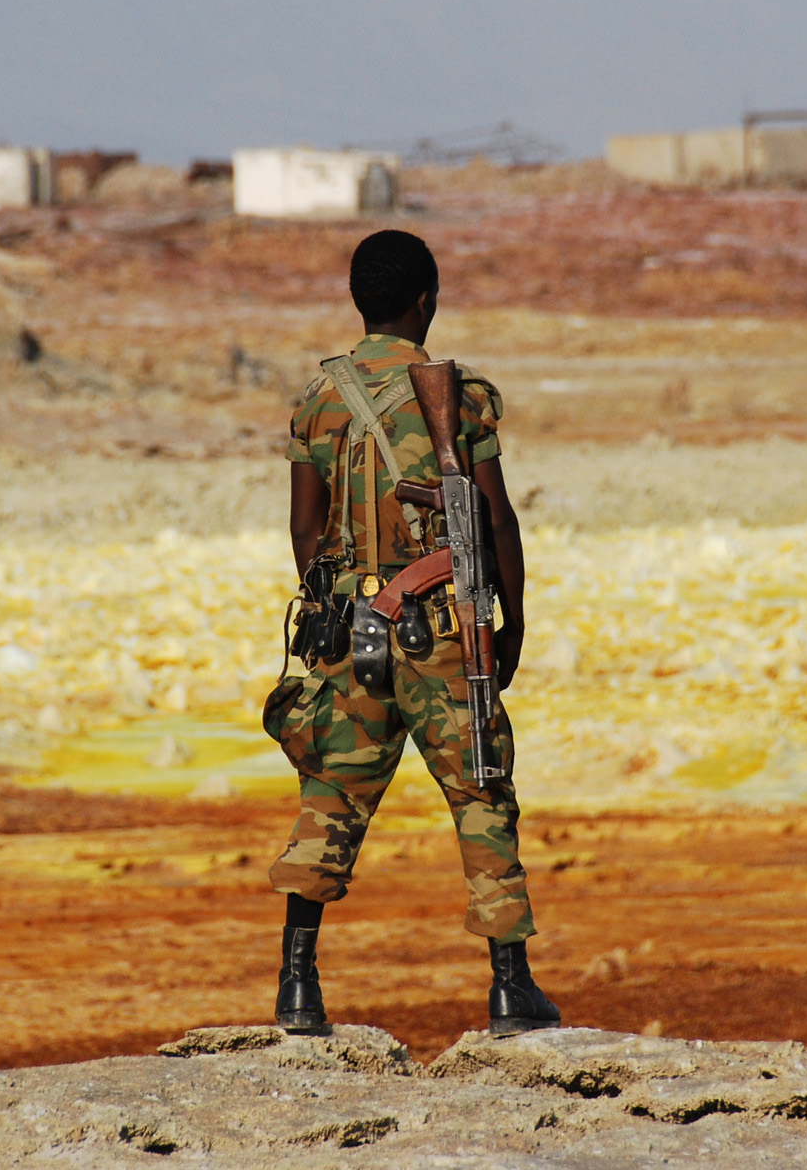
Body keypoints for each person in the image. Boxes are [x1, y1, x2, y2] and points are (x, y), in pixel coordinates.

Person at [264, 228, 560, 1036]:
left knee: (330, 796)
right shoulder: (457, 395)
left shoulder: (320, 400)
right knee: (481, 791)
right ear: (425, 301)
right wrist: (511, 619)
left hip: (350, 632)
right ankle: (510, 987)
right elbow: (495, 518)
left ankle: (297, 985)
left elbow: (304, 528)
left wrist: (337, 604)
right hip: (441, 627)